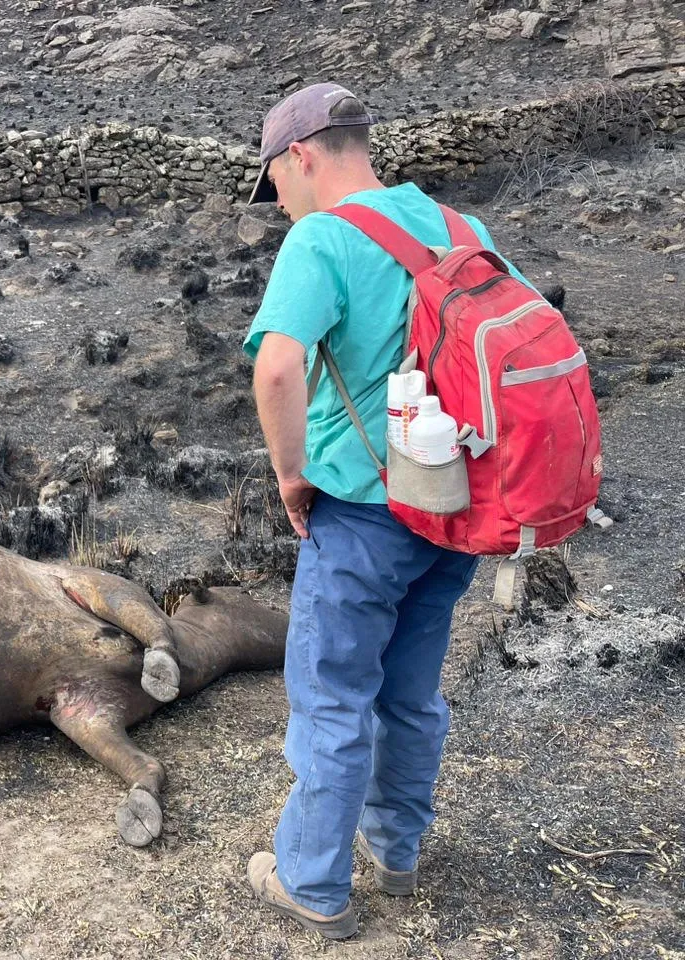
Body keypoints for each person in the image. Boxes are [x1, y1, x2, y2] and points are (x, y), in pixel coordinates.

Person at [239, 82, 532, 940]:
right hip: (455, 510)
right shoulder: (461, 229)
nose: (280, 203)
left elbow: (279, 369)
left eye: (275, 183)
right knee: (409, 692)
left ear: (301, 156)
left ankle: (314, 885)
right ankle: (396, 852)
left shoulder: (321, 238)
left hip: (365, 515)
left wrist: (291, 475)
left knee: (332, 698)